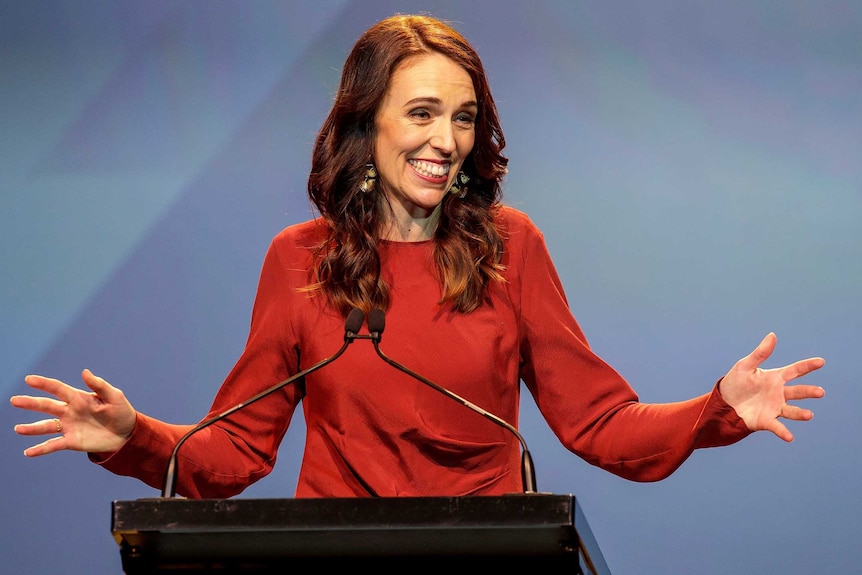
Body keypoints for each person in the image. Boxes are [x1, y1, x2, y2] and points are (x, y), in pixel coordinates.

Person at [10, 14, 824, 499]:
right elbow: (234, 452)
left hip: (489, 555)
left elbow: (599, 422)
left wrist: (718, 407)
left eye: (464, 118)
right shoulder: (299, 260)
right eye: (424, 112)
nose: (447, 140)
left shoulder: (512, 247)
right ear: (368, 126)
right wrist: (132, 435)